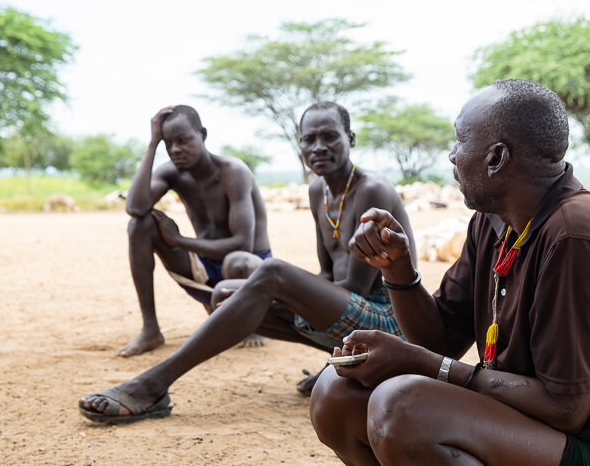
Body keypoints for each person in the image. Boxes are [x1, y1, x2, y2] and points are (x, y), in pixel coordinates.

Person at [310, 80, 590, 466]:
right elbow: (441, 339)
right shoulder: (494, 221)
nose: (452, 156)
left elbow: (565, 407)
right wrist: (398, 269)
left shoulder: (573, 235)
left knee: (404, 408)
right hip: (540, 423)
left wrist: (421, 364)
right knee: (336, 393)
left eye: (459, 140)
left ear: (496, 158)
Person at [78, 101, 416, 423]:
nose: (318, 147)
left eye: (330, 137)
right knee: (226, 294)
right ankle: (343, 363)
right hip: (351, 312)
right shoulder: (318, 190)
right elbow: (328, 273)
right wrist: (276, 293)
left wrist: (281, 289)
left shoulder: (370, 189)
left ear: (351, 140)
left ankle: (151, 385)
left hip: (388, 322)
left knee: (270, 273)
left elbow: (357, 287)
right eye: (309, 139)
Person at [118, 104, 271, 357]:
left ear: (203, 134)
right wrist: (152, 144)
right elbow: (135, 207)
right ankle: (150, 330)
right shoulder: (172, 172)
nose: (175, 149)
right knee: (139, 225)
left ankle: (254, 322)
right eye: (168, 143)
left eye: (183, 140)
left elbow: (242, 245)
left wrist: (180, 241)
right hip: (205, 267)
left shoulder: (233, 171)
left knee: (238, 260)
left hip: (248, 271)